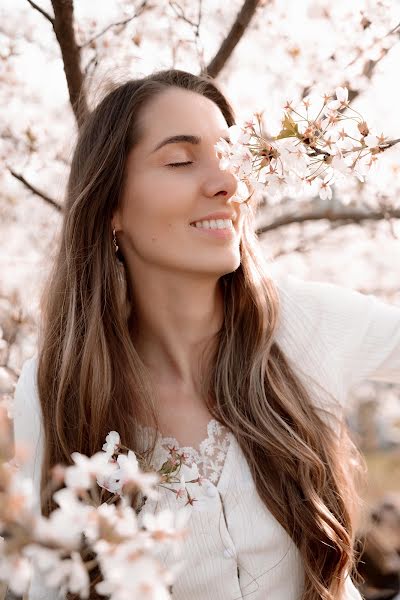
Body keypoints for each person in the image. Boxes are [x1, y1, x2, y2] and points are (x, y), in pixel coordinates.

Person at [12, 68, 400, 600]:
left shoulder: (308, 323)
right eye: (180, 160)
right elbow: (52, 584)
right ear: (111, 206)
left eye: (231, 157)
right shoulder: (55, 387)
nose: (227, 181)